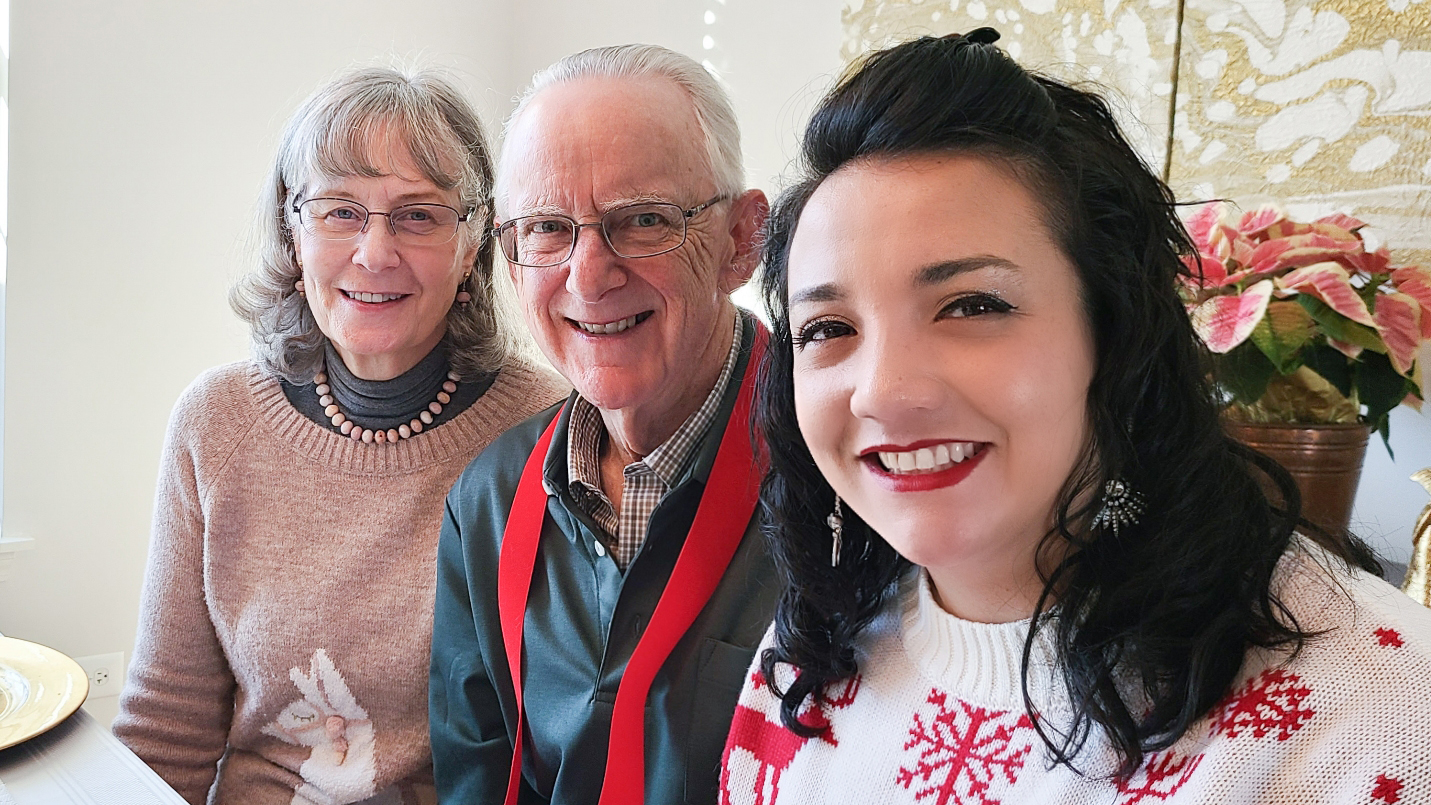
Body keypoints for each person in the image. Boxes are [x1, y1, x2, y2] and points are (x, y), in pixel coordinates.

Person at [719, 29, 1431, 805]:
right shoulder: (819, 643)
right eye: (827, 329)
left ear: (1114, 329)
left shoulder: (1371, 714)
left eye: (972, 305)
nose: (884, 392)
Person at [113, 67, 568, 804]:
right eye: (338, 211)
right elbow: (168, 728)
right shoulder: (215, 423)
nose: (375, 251)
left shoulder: (544, 429)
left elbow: (562, 735)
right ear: (292, 235)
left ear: (472, 245)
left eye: (418, 215)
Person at [429, 45, 775, 805]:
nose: (589, 276)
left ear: (742, 239)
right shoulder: (486, 502)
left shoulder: (846, 478)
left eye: (644, 219)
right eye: (548, 228)